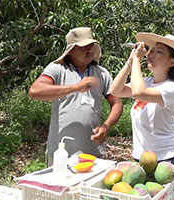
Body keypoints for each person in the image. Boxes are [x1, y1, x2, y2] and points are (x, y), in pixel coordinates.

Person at [110, 33, 174, 186]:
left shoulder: (172, 88)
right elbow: (115, 90)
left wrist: (137, 60)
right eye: (152, 50)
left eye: (159, 51)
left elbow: (139, 93)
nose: (151, 54)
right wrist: (130, 63)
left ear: (172, 62)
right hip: (140, 161)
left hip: (164, 162)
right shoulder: (147, 82)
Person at [29, 27, 123, 166]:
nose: (89, 50)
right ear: (71, 50)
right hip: (61, 153)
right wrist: (75, 88)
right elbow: (35, 91)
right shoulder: (57, 69)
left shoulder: (101, 73)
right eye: (83, 47)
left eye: (91, 46)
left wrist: (106, 126)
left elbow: (117, 103)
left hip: (92, 152)